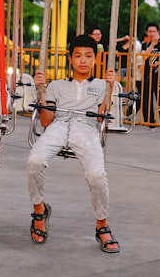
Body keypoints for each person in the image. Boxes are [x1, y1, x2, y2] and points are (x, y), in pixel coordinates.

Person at [26, 34, 120, 253]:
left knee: (96, 174)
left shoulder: (100, 85)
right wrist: (40, 92)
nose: (83, 60)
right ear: (70, 59)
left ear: (95, 59)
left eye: (88, 56)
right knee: (34, 161)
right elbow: (46, 120)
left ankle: (102, 224)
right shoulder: (57, 85)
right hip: (59, 124)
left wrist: (110, 89)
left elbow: (99, 118)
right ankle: (39, 210)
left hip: (86, 126)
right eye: (78, 56)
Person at [136, 23, 160, 130]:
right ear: (147, 33)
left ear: (158, 32)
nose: (152, 33)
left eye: (154, 31)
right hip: (148, 77)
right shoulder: (145, 45)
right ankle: (150, 123)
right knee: (147, 100)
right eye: (150, 31)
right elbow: (143, 57)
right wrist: (151, 45)